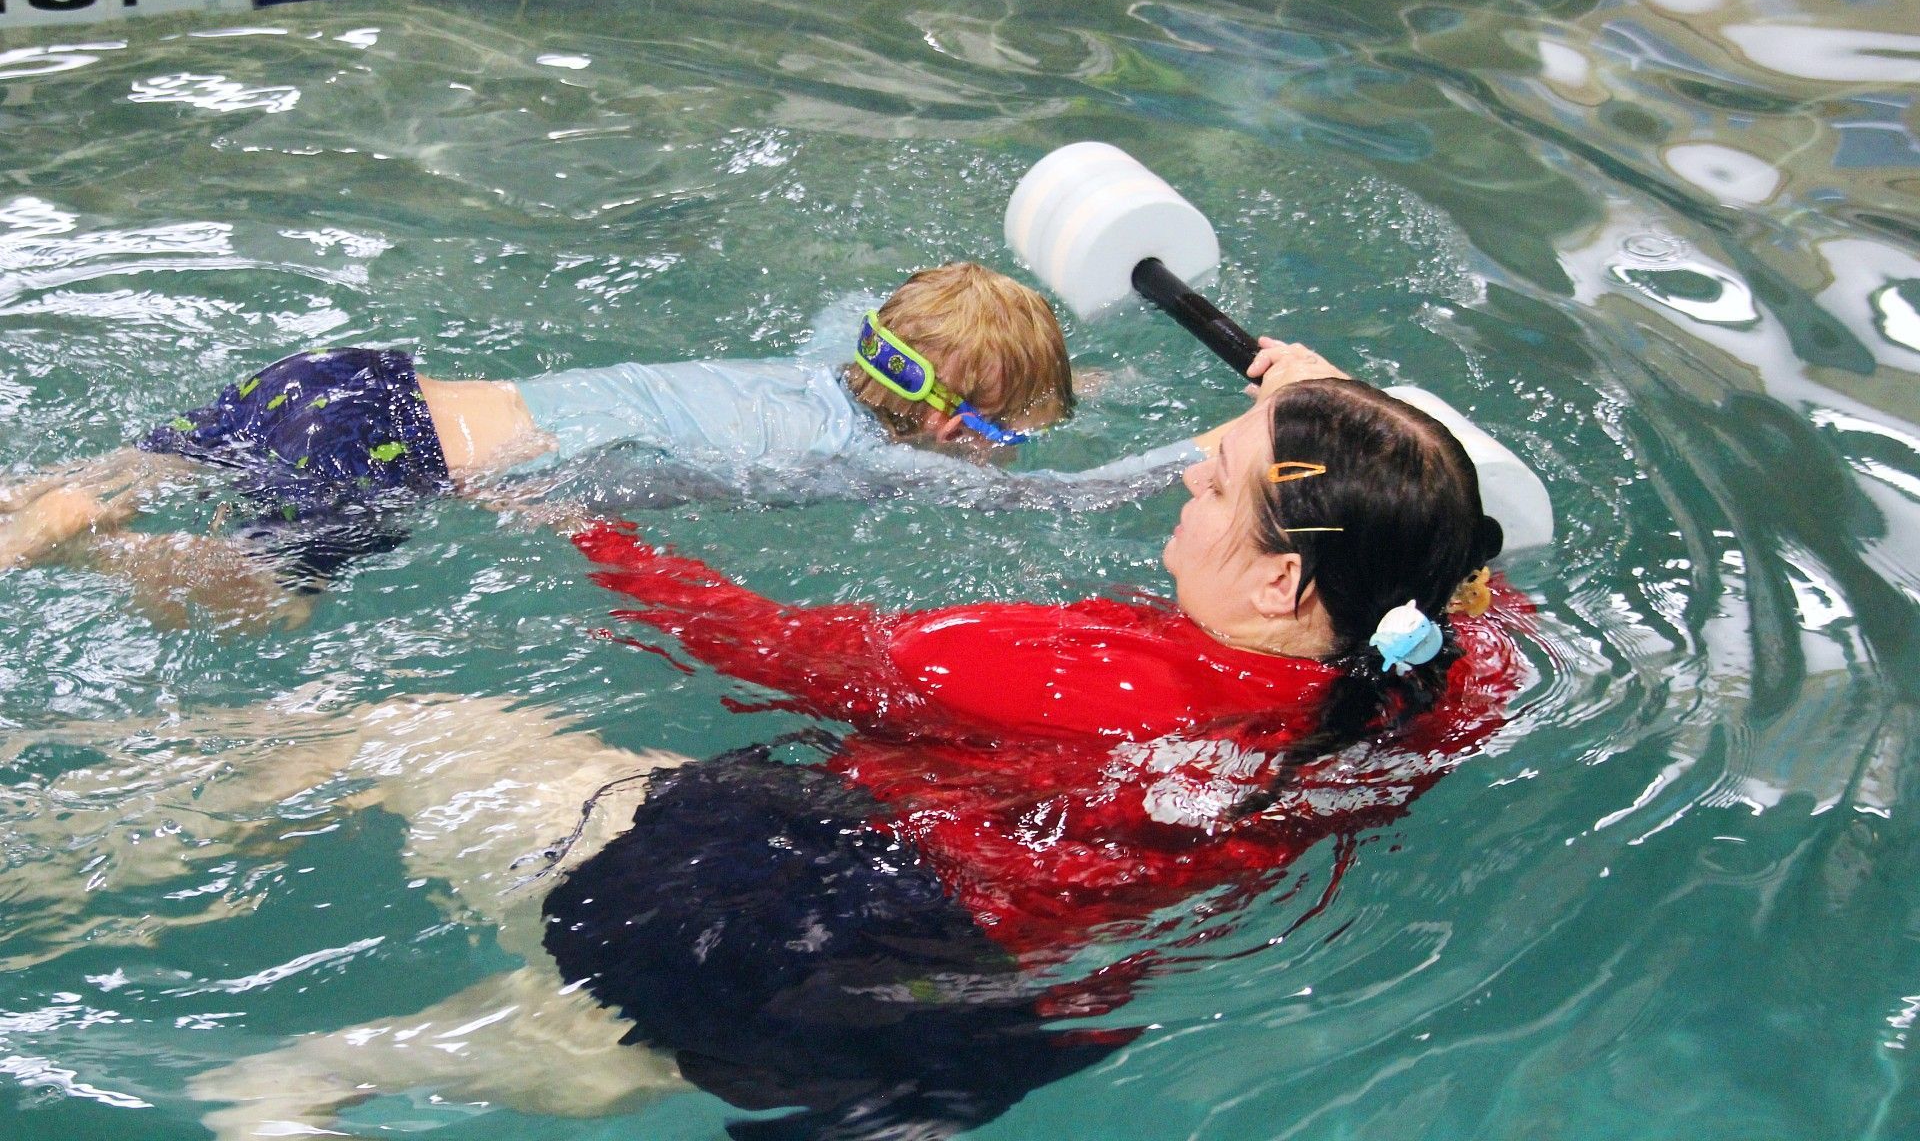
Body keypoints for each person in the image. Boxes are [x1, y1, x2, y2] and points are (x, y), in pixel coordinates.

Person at [181, 341, 1529, 1140]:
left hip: (786, 908)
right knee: (485, 1056)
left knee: (386, 733)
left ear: (1284, 584)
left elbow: (767, 649)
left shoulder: (1053, 674)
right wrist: (1332, 413)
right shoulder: (1443, 678)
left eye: (1220, 477)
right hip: (984, 1018)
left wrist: (587, 530)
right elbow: (1449, 561)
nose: (1189, 473)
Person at [0, 262, 1211, 625]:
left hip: (346, 382)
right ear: (955, 424)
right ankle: (72, 552)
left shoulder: (829, 348)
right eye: (1006, 430)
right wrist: (1234, 437)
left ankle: (41, 505)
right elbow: (1058, 501)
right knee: (253, 603)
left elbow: (858, 294)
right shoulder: (872, 459)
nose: (1007, 454)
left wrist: (1032, 366)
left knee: (113, 470)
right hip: (384, 456)